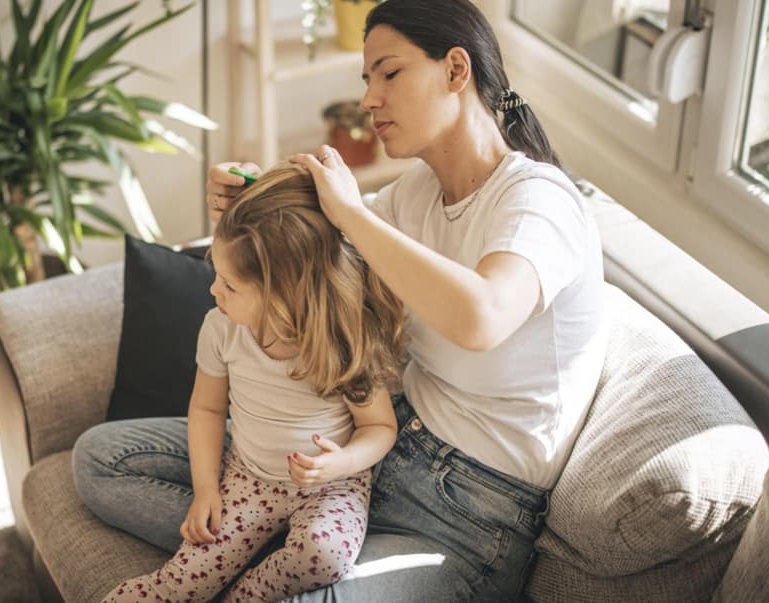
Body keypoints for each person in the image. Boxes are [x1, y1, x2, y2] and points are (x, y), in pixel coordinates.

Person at [75, 0, 607, 600]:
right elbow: (302, 250)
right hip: (356, 454)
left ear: (456, 71)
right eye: (366, 79)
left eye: (389, 72)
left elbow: (480, 317)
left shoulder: (540, 201)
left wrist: (352, 213)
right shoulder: (418, 194)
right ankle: (266, 539)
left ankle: (281, 553)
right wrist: (243, 200)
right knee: (101, 458)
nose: (370, 99)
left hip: (462, 510)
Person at [102, 163, 408, 602]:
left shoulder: (341, 337)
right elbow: (207, 410)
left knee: (324, 553)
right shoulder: (221, 328)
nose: (214, 292)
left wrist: (341, 463)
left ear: (285, 295)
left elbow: (379, 427)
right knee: (182, 583)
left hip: (331, 485)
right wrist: (206, 490)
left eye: (229, 285)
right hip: (248, 478)